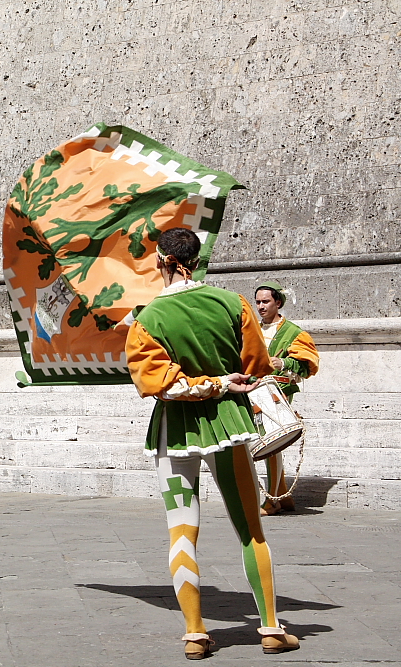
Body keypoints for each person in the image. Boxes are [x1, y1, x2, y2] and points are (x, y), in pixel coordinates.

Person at [125, 228, 299, 659]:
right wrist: (224, 379)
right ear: (196, 258)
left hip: (175, 431)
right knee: (251, 531)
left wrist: (206, 382)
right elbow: (256, 366)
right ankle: (271, 628)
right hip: (229, 423)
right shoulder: (234, 303)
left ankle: (196, 633)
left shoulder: (145, 319)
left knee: (182, 531)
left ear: (162, 261)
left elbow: (158, 384)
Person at [255, 281, 320, 515]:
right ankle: (284, 495)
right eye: (258, 302)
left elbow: (306, 365)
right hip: (251, 390)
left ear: (278, 303)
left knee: (271, 442)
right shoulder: (252, 328)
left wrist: (283, 362)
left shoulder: (293, 332)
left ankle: (272, 500)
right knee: (268, 442)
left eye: (266, 302)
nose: (261, 306)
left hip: (277, 392)